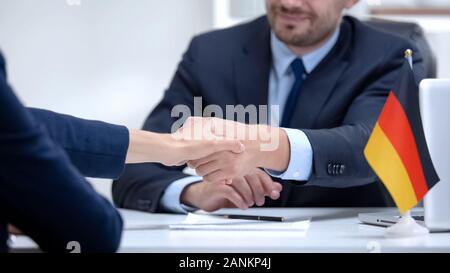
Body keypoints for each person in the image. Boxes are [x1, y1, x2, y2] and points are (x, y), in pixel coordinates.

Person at [113, 0, 429, 213]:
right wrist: (195, 192)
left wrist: (269, 146)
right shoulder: (210, 53)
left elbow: (374, 147)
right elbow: (135, 165)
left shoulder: (391, 55)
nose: (290, 4)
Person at [0, 51, 244, 253]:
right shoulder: (209, 52)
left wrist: (172, 148)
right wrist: (189, 188)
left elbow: (18, 125)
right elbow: (91, 229)